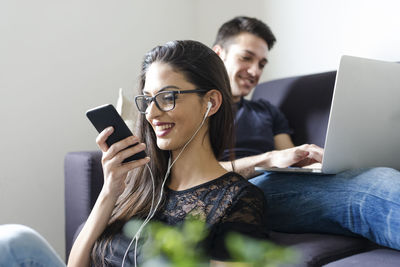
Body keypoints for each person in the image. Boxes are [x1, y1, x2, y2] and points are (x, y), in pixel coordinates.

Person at [0, 40, 268, 266]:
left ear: (210, 102)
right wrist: (109, 191)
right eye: (148, 99)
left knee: (15, 242)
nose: (151, 113)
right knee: (13, 241)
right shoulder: (141, 182)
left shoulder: (237, 200)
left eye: (167, 97)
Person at [213, 16, 400, 250]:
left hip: (277, 184)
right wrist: (267, 158)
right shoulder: (199, 108)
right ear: (219, 53)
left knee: (374, 175)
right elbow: (194, 176)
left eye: (261, 64)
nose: (254, 71)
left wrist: (309, 159)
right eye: (246, 58)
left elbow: (289, 158)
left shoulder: (268, 111)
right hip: (236, 193)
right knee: (368, 189)